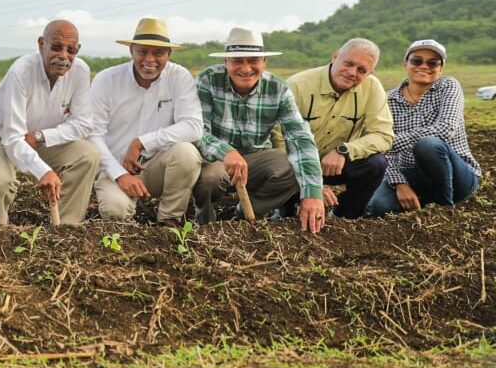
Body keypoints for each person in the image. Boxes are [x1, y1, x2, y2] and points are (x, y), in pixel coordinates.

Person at [192, 27, 326, 233]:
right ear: (226, 62)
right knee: (211, 178)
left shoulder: (278, 89)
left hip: (256, 158)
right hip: (216, 160)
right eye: (237, 61)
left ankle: (242, 215)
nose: (246, 68)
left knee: (292, 167)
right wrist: (226, 152)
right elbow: (198, 131)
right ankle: (204, 221)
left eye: (253, 60)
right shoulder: (208, 80)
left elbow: (300, 137)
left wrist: (313, 193)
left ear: (264, 61)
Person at [0, 20, 99, 225]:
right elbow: (13, 138)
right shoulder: (21, 72)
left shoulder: (80, 71)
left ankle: (67, 226)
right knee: (1, 183)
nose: (63, 56)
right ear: (42, 44)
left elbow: (83, 123)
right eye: (56, 47)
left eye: (71, 50)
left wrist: (41, 136)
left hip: (40, 138)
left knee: (88, 154)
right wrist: (44, 171)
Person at [89, 18, 203, 226]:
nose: (149, 59)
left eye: (158, 53)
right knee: (116, 212)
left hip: (155, 165)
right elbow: (92, 134)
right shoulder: (107, 80)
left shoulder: (179, 76)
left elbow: (194, 127)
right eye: (142, 51)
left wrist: (142, 142)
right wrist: (120, 175)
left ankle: (169, 219)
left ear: (169, 54)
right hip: (114, 167)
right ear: (131, 50)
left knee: (186, 153)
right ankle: (128, 223)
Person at [367, 39, 482, 216]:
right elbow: (379, 148)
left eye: (432, 62)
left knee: (428, 144)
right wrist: (400, 183)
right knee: (378, 206)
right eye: (417, 61)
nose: (424, 66)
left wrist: (390, 143)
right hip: (412, 175)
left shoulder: (448, 86)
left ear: (441, 68)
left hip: (456, 174)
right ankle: (425, 202)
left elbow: (445, 129)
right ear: (406, 64)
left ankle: (444, 211)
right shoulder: (387, 100)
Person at [284, 38, 393, 218]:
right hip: (296, 164)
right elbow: (279, 139)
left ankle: (345, 216)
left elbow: (383, 135)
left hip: (333, 165)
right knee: (279, 167)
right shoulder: (297, 85)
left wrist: (345, 150)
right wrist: (312, 183)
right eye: (348, 63)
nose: (352, 72)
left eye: (362, 70)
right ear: (335, 57)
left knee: (376, 164)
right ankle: (285, 209)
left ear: (370, 73)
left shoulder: (372, 87)